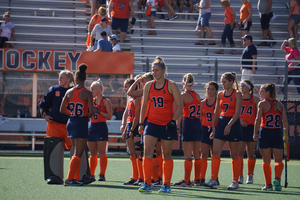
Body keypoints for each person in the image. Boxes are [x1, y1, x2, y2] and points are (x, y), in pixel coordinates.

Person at [138, 56, 183, 193]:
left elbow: (180, 105)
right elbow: (144, 105)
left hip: (166, 124)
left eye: (157, 70)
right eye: (153, 70)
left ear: (164, 70)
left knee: (166, 154)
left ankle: (167, 185)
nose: (154, 72)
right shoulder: (148, 85)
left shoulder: (171, 85)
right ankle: (147, 183)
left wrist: (173, 121)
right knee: (147, 152)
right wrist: (141, 123)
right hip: (151, 123)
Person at [204, 72, 242, 190]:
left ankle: (235, 181)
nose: (223, 84)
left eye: (225, 81)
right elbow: (216, 111)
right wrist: (214, 127)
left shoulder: (237, 94)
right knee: (215, 152)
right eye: (222, 82)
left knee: (234, 154)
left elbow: (237, 113)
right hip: (221, 123)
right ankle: (213, 179)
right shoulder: (220, 94)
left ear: (231, 82)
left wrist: (229, 125)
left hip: (233, 124)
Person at [60, 64, 94, 186]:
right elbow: (91, 111)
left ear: (75, 79)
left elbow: (62, 109)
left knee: (75, 151)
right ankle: (70, 179)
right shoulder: (87, 93)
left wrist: (72, 114)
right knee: (78, 153)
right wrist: (85, 116)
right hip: (81, 122)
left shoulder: (69, 91)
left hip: (71, 122)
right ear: (85, 79)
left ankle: (74, 178)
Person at [39, 70, 74, 184]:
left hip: (70, 125)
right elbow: (43, 104)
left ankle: (76, 176)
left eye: (62, 78)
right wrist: (45, 115)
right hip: (54, 124)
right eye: (59, 78)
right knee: (53, 150)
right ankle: (54, 176)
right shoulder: (54, 90)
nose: (59, 80)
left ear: (69, 79)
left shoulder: (74, 91)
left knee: (76, 150)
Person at [253, 83, 288, 191]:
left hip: (266, 133)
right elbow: (285, 122)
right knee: (278, 160)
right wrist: (285, 136)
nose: (260, 92)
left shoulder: (262, 104)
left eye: (262, 91)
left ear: (268, 93)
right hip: (277, 133)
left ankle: (268, 184)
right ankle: (277, 179)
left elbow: (257, 120)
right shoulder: (280, 104)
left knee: (266, 161)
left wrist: (255, 133)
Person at [174, 73, 201, 187]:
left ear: (183, 83)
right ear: (193, 83)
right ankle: (197, 179)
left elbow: (179, 113)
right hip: (197, 123)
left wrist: (178, 126)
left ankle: (187, 180)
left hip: (188, 123)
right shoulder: (198, 95)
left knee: (187, 155)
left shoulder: (183, 96)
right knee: (196, 154)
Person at [88, 79, 113, 182]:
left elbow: (109, 116)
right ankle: (91, 174)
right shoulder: (91, 101)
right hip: (92, 126)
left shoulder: (106, 101)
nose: (91, 90)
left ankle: (102, 174)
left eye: (93, 89)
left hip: (101, 127)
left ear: (99, 89)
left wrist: (98, 111)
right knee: (92, 153)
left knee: (102, 152)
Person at [238, 80, 259, 184]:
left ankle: (250, 175)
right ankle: (239, 175)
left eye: (244, 86)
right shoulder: (238, 98)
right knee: (239, 153)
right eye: (241, 86)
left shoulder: (255, 99)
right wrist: (240, 120)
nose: (241, 88)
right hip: (240, 128)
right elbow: (233, 113)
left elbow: (259, 115)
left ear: (249, 88)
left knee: (251, 153)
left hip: (251, 128)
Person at [122, 78, 143, 185]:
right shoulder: (130, 99)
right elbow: (129, 117)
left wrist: (131, 129)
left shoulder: (138, 99)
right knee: (132, 153)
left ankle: (141, 177)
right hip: (130, 125)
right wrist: (125, 128)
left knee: (138, 152)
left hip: (135, 126)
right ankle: (135, 176)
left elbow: (136, 117)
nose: (125, 89)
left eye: (127, 86)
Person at [198, 81, 218, 186]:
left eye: (211, 89)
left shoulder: (218, 102)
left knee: (215, 154)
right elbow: (200, 118)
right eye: (208, 89)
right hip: (205, 129)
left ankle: (215, 177)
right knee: (204, 154)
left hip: (215, 129)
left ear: (215, 91)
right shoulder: (203, 103)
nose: (209, 91)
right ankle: (202, 176)